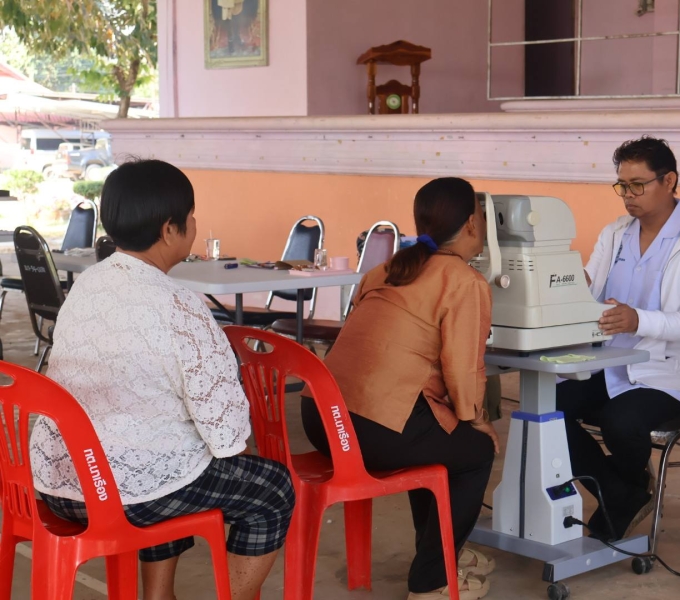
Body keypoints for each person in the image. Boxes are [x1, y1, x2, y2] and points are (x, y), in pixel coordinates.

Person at [29, 160, 295, 600]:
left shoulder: (87, 286)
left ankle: (158, 595)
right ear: (171, 229)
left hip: (58, 483)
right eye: (191, 217)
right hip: (124, 498)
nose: (194, 224)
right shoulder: (178, 306)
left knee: (169, 454)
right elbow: (228, 437)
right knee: (269, 487)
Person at [301, 177, 497, 600]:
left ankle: (442, 555)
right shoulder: (463, 281)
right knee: (475, 451)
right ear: (471, 224)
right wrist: (476, 421)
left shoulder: (388, 267)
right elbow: (463, 371)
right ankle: (432, 581)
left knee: (436, 437)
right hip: (372, 428)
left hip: (322, 419)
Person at [557, 136, 680, 542]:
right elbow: (588, 287)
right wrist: (561, 284)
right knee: (547, 409)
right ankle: (622, 492)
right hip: (611, 362)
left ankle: (622, 491)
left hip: (673, 374)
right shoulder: (615, 233)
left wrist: (639, 320)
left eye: (638, 184)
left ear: (669, 180)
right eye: (622, 185)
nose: (628, 196)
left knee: (622, 423)